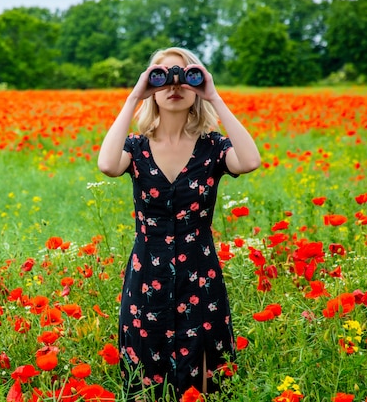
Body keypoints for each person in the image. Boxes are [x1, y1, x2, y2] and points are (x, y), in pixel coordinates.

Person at [97, 47, 261, 401]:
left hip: (201, 281)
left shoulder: (213, 148)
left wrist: (214, 96)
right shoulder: (136, 148)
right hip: (146, 283)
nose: (174, 85)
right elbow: (107, 165)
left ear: (197, 85)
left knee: (205, 384)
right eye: (163, 76)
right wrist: (134, 97)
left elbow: (250, 160)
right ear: (152, 87)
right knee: (146, 385)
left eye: (186, 76)